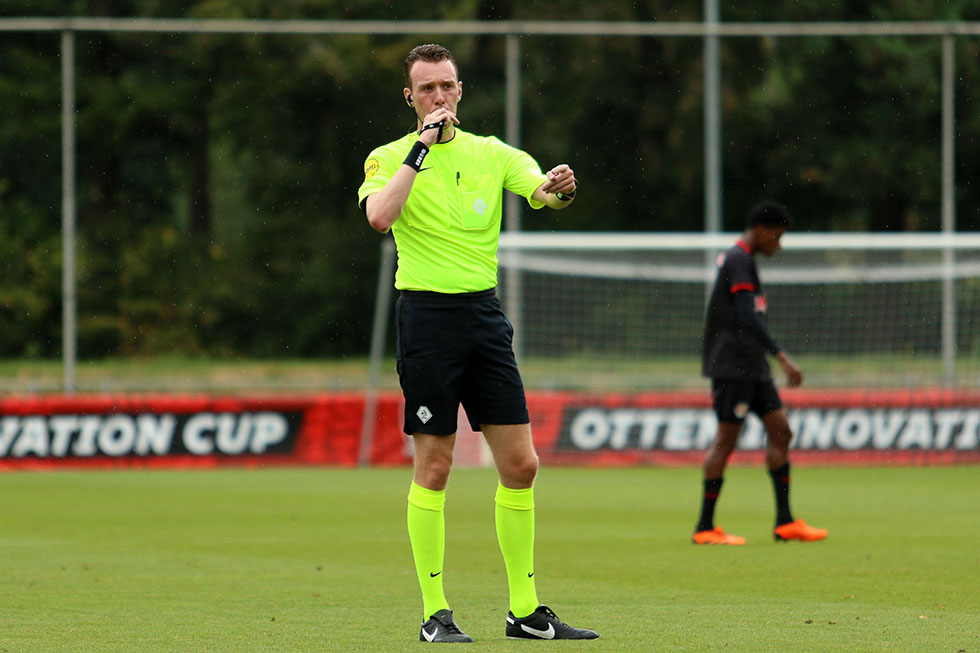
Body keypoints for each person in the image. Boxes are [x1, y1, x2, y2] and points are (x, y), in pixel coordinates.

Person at [357, 43, 598, 643]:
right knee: (434, 466)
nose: (439, 97)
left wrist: (561, 188)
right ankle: (435, 612)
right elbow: (380, 218)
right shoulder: (387, 157)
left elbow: (543, 194)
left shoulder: (492, 153)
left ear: (460, 91)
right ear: (410, 98)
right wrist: (421, 148)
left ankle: (524, 611)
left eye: (448, 86)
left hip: (484, 318)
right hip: (428, 321)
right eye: (427, 89)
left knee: (521, 464)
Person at [694, 201, 828, 546]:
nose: (778, 245)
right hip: (734, 367)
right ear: (762, 231)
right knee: (726, 441)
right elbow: (747, 317)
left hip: (753, 368)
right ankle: (705, 527)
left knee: (781, 432)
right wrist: (782, 356)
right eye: (777, 237)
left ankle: (784, 522)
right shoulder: (738, 259)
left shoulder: (744, 260)